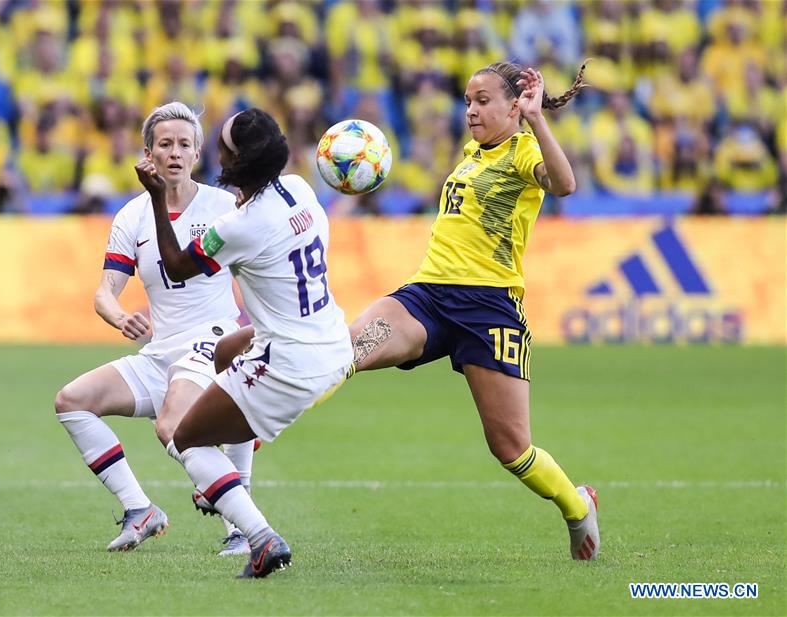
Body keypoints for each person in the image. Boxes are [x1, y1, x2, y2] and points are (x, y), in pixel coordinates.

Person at [216, 62, 601, 561]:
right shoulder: (470, 156)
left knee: (511, 449)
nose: (471, 111)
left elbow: (565, 185)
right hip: (427, 297)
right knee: (342, 353)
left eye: (482, 101)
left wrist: (537, 120)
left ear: (514, 106)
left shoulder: (524, 151)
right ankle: (254, 436)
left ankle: (577, 505)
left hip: (489, 310)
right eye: (467, 101)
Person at [134, 108, 353, 578]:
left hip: (289, 363)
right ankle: (228, 476)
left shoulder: (240, 227)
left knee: (184, 436)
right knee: (224, 353)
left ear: (232, 162)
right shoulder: (299, 188)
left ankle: (258, 536)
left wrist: (157, 198)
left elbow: (174, 266)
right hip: (330, 336)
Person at [54, 102, 257, 555]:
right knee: (72, 402)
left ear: (199, 153)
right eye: (165, 144)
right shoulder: (133, 216)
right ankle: (140, 510)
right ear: (148, 154)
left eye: (185, 144)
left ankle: (241, 527)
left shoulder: (225, 207)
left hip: (214, 340)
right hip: (162, 352)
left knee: (187, 424)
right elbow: (104, 292)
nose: (175, 153)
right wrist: (119, 315)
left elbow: (253, 277)